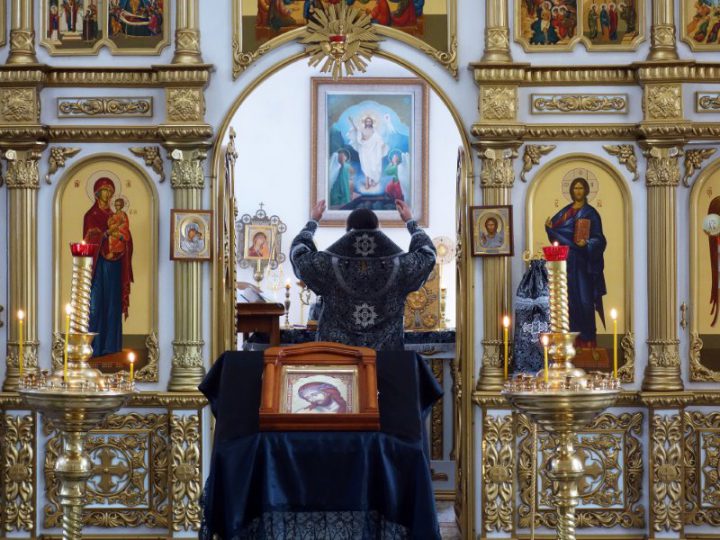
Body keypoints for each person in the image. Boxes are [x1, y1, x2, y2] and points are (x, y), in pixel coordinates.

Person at [291, 199, 436, 350]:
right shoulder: (399, 265)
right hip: (384, 357)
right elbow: (428, 255)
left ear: (348, 230)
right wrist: (410, 222)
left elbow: (299, 255)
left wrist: (313, 221)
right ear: (378, 228)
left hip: (338, 356)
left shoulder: (328, 265)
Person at [545, 177, 607, 348]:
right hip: (567, 263)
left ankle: (588, 341)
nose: (578, 191)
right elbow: (556, 231)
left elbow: (600, 240)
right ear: (571, 191)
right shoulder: (566, 212)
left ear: (586, 190)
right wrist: (549, 228)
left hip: (584, 264)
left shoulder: (591, 213)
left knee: (585, 301)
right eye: (575, 188)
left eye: (580, 188)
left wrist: (586, 243)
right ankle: (572, 343)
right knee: (569, 301)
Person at [83, 177, 134, 357]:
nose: (108, 194)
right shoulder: (91, 216)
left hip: (115, 264)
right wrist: (105, 234)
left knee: (113, 304)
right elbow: (89, 239)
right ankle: (94, 348)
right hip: (98, 265)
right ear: (97, 193)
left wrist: (123, 238)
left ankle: (111, 347)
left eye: (110, 191)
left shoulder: (116, 216)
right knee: (96, 304)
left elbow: (126, 237)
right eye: (105, 190)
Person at [348, 116, 389, 190]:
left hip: (373, 150)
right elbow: (357, 131)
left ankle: (373, 179)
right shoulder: (362, 130)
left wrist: (382, 145)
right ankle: (367, 182)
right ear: (365, 122)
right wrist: (352, 122)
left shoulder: (374, 130)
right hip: (364, 149)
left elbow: (378, 138)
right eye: (367, 121)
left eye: (369, 121)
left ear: (371, 122)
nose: (368, 122)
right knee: (366, 166)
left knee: (373, 165)